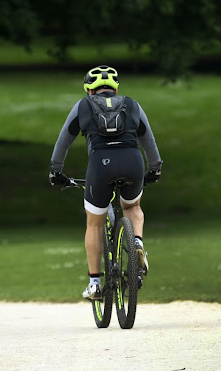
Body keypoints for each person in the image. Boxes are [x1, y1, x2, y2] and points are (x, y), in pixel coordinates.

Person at [49, 65, 162, 300]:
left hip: (101, 164)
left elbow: (63, 142)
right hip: (133, 160)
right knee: (132, 207)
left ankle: (95, 283)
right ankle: (137, 243)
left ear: (89, 90)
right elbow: (148, 140)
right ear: (115, 88)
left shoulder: (83, 106)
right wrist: (155, 168)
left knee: (95, 223)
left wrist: (56, 172)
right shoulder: (132, 104)